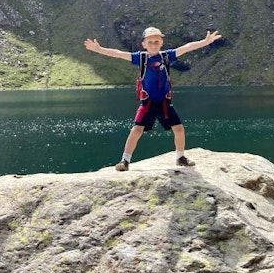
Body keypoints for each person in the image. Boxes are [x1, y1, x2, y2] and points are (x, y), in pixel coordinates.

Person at [83, 26, 222, 170]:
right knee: (136, 130)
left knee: (179, 129)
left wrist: (205, 42)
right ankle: (125, 161)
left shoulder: (167, 56)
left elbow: (186, 47)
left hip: (164, 102)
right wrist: (99, 49)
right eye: (150, 42)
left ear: (161, 43)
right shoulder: (140, 57)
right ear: (144, 44)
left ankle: (180, 157)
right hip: (148, 103)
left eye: (156, 41)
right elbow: (118, 53)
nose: (154, 44)